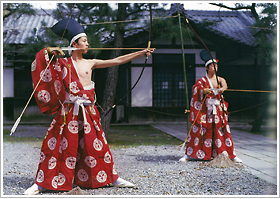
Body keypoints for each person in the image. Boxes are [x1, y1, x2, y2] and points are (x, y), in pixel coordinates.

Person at [24, 18, 153, 195]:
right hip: (68, 111)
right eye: (84, 40)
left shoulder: (90, 62)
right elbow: (42, 62)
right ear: (75, 43)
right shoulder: (62, 63)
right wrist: (49, 51)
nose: (88, 43)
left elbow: (117, 61)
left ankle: (112, 177)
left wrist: (140, 53)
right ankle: (41, 183)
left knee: (97, 144)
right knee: (57, 146)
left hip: (88, 111)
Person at [179, 50, 242, 163]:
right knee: (199, 129)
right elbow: (196, 88)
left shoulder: (220, 79)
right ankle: (190, 154)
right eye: (212, 66)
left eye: (216, 65)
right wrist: (203, 90)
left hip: (217, 109)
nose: (215, 67)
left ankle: (229, 154)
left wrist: (222, 89)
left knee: (221, 130)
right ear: (207, 68)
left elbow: (224, 85)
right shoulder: (202, 80)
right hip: (205, 109)